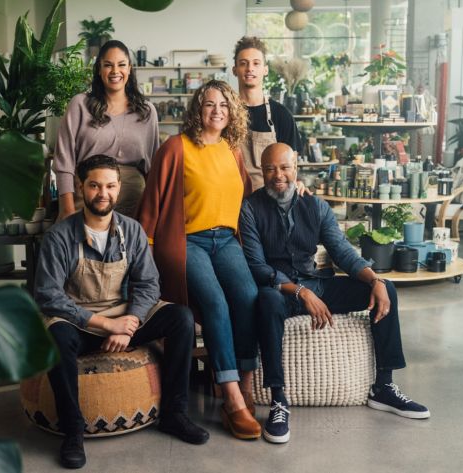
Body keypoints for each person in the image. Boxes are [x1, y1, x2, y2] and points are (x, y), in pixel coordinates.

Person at [239, 143, 430, 444]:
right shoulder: (250, 208)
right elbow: (257, 266)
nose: (278, 175)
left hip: (318, 284)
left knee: (387, 290)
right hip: (282, 291)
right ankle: (278, 399)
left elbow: (342, 252)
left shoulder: (315, 206)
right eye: (270, 169)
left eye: (284, 167)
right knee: (266, 299)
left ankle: (384, 386)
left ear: (296, 168)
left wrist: (375, 280)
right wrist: (301, 292)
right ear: (262, 172)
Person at [35, 155, 209, 469]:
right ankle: (73, 431)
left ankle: (174, 414)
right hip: (79, 321)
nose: (103, 193)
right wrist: (104, 323)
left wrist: (130, 323)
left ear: (118, 189)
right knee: (54, 337)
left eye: (110, 186)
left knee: (181, 319)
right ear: (80, 187)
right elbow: (48, 296)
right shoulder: (59, 236)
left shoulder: (132, 231)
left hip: (122, 313)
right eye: (95, 185)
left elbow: (149, 283)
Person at [138, 80, 261, 440]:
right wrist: (143, 253)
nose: (217, 110)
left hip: (226, 240)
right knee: (216, 304)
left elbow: (248, 201)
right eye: (209, 104)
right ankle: (233, 398)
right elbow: (152, 202)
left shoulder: (233, 150)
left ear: (232, 111)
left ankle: (244, 380)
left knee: (248, 296)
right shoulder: (175, 148)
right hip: (186, 240)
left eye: (224, 105)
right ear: (198, 109)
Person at [54, 39, 159, 219]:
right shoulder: (80, 105)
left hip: (134, 205)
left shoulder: (147, 111)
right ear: (99, 69)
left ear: (130, 68)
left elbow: (153, 169)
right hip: (86, 201)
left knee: (128, 247)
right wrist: (67, 210)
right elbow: (64, 162)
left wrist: (152, 215)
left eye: (121, 65)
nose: (115, 71)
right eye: (108, 65)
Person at [232, 36, 304, 190]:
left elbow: (292, 166)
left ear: (265, 70)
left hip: (268, 202)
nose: (250, 68)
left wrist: (297, 184)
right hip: (231, 198)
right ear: (234, 70)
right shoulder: (225, 114)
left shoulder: (281, 115)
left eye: (256, 63)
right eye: (243, 63)